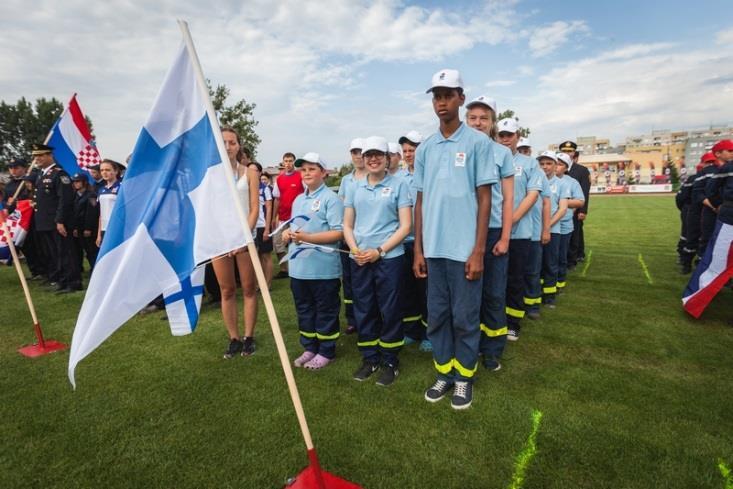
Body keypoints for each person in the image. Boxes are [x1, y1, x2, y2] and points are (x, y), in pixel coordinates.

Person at [414, 69, 497, 410]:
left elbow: (485, 198)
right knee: (438, 316)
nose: (441, 102)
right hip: (434, 249)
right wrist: (418, 248)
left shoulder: (478, 143)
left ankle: (464, 378)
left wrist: (478, 250)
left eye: (448, 95)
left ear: (461, 98)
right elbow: (419, 200)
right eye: (437, 95)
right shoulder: (426, 148)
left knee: (464, 317)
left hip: (465, 250)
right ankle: (444, 372)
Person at [344, 136, 412, 387]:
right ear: (363, 158)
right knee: (364, 308)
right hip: (360, 259)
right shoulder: (354, 187)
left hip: (389, 258)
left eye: (378, 155)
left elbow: (406, 226)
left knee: (390, 309)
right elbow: (347, 224)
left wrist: (379, 251)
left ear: (387, 158)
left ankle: (390, 360)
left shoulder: (399, 185)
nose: (373, 159)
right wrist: (355, 249)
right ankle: (370, 358)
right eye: (368, 155)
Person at [283, 153, 344, 370]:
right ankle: (310, 347)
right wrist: (287, 234)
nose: (306, 173)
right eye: (303, 170)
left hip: (322, 269)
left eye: (312, 169)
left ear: (324, 173)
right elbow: (294, 226)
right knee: (304, 309)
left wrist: (305, 238)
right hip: (299, 268)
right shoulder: (299, 199)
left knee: (325, 309)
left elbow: (338, 233)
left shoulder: (331, 199)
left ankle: (326, 351)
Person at [464, 95, 513, 369]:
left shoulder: (502, 153)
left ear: (492, 122)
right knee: (468, 296)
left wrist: (505, 237)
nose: (478, 122)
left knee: (493, 294)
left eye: (484, 118)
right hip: (463, 232)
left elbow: (508, 200)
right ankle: (469, 345)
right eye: (473, 117)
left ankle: (492, 348)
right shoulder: (457, 150)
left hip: (493, 231)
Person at [496, 117, 544, 342]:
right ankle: (495, 320)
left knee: (515, 278)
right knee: (495, 280)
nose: (505, 139)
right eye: (501, 135)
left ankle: (513, 322)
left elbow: (532, 195)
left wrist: (510, 220)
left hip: (519, 232)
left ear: (517, 137)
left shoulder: (529, 163)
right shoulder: (489, 158)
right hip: (493, 231)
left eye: (509, 135)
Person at [215, 127, 260, 359]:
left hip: (244, 239)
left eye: (232, 142)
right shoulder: (211, 174)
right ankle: (233, 337)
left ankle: (249, 336)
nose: (228, 146)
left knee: (249, 288)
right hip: (219, 240)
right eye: (224, 142)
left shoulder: (249, 172)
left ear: (238, 145)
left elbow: (254, 207)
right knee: (227, 289)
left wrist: (244, 236)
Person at [397, 130, 431, 351]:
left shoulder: (429, 173)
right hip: (404, 240)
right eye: (406, 150)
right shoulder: (399, 178)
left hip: (426, 240)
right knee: (407, 288)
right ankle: (411, 330)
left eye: (413, 149)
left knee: (426, 289)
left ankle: (429, 333)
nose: (409, 154)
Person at [32, 143, 81, 293]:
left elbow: (64, 200)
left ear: (49, 155)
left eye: (40, 155)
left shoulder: (59, 174)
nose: (37, 159)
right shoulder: (41, 174)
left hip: (58, 222)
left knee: (65, 252)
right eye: (35, 156)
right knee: (54, 253)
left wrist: (60, 220)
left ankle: (73, 282)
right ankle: (62, 280)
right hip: (45, 222)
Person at [338, 138, 366, 335]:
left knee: (365, 281)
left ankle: (370, 316)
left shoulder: (373, 177)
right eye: (354, 152)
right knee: (348, 280)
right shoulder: (346, 180)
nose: (357, 156)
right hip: (348, 237)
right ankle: (352, 318)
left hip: (366, 237)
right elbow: (342, 205)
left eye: (360, 152)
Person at [538, 151, 570, 308]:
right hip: (535, 230)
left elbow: (562, 209)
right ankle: (535, 293)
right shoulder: (534, 180)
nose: (545, 167)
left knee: (550, 263)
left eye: (549, 163)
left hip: (553, 230)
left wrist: (547, 225)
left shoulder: (562, 184)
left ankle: (549, 296)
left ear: (556, 165)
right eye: (542, 163)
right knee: (536, 265)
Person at [525, 156, 551, 320]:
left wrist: (546, 229)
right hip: (512, 232)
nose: (524, 152)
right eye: (522, 150)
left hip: (534, 231)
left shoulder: (538, 173)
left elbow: (546, 203)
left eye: (527, 150)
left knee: (533, 271)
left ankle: (533, 304)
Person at [555, 153, 585, 293]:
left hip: (563, 225)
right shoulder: (543, 179)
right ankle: (547, 283)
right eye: (555, 162)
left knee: (561, 256)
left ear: (566, 168)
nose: (556, 166)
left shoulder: (572, 182)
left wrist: (561, 200)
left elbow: (580, 201)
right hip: (544, 224)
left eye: (560, 164)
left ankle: (559, 283)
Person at [273, 152, 304, 278]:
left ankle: (299, 268)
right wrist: (274, 217)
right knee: (278, 243)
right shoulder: (279, 179)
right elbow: (277, 199)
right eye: (286, 161)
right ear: (283, 162)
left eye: (291, 161)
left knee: (297, 242)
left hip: (297, 218)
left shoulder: (300, 176)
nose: (288, 163)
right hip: (282, 217)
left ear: (294, 162)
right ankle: (284, 269)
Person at [559, 141, 590, 268]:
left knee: (575, 233)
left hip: (575, 207)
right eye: (564, 151)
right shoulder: (556, 166)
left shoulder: (582, 170)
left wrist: (583, 210)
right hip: (560, 208)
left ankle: (574, 257)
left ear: (574, 153)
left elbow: (584, 191)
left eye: (569, 151)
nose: (567, 153)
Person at [71, 174, 99, 272]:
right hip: (79, 227)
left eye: (78, 181)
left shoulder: (91, 195)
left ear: (84, 182)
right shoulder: (75, 195)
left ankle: (96, 268)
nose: (75, 183)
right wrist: (75, 228)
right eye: (74, 181)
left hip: (88, 227)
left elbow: (92, 212)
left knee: (91, 249)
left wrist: (88, 228)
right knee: (83, 248)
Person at [96, 160, 122, 248]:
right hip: (104, 229)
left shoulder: (122, 187)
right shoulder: (101, 190)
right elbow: (101, 213)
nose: (104, 173)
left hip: (117, 228)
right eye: (102, 170)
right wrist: (99, 234)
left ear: (115, 171)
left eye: (107, 170)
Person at [258, 171, 274, 288]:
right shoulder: (247, 187)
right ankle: (260, 283)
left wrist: (267, 229)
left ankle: (268, 284)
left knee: (265, 256)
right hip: (251, 227)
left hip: (263, 226)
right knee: (257, 257)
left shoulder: (265, 189)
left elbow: (269, 209)